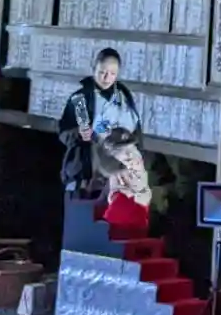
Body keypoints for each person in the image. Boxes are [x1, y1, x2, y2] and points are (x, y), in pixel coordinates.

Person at [57, 49, 151, 227]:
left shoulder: (125, 99)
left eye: (112, 73)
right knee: (83, 226)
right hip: (87, 177)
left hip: (119, 178)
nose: (106, 78)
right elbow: (64, 132)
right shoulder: (81, 99)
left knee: (117, 227)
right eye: (102, 72)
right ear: (94, 69)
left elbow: (137, 136)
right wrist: (78, 134)